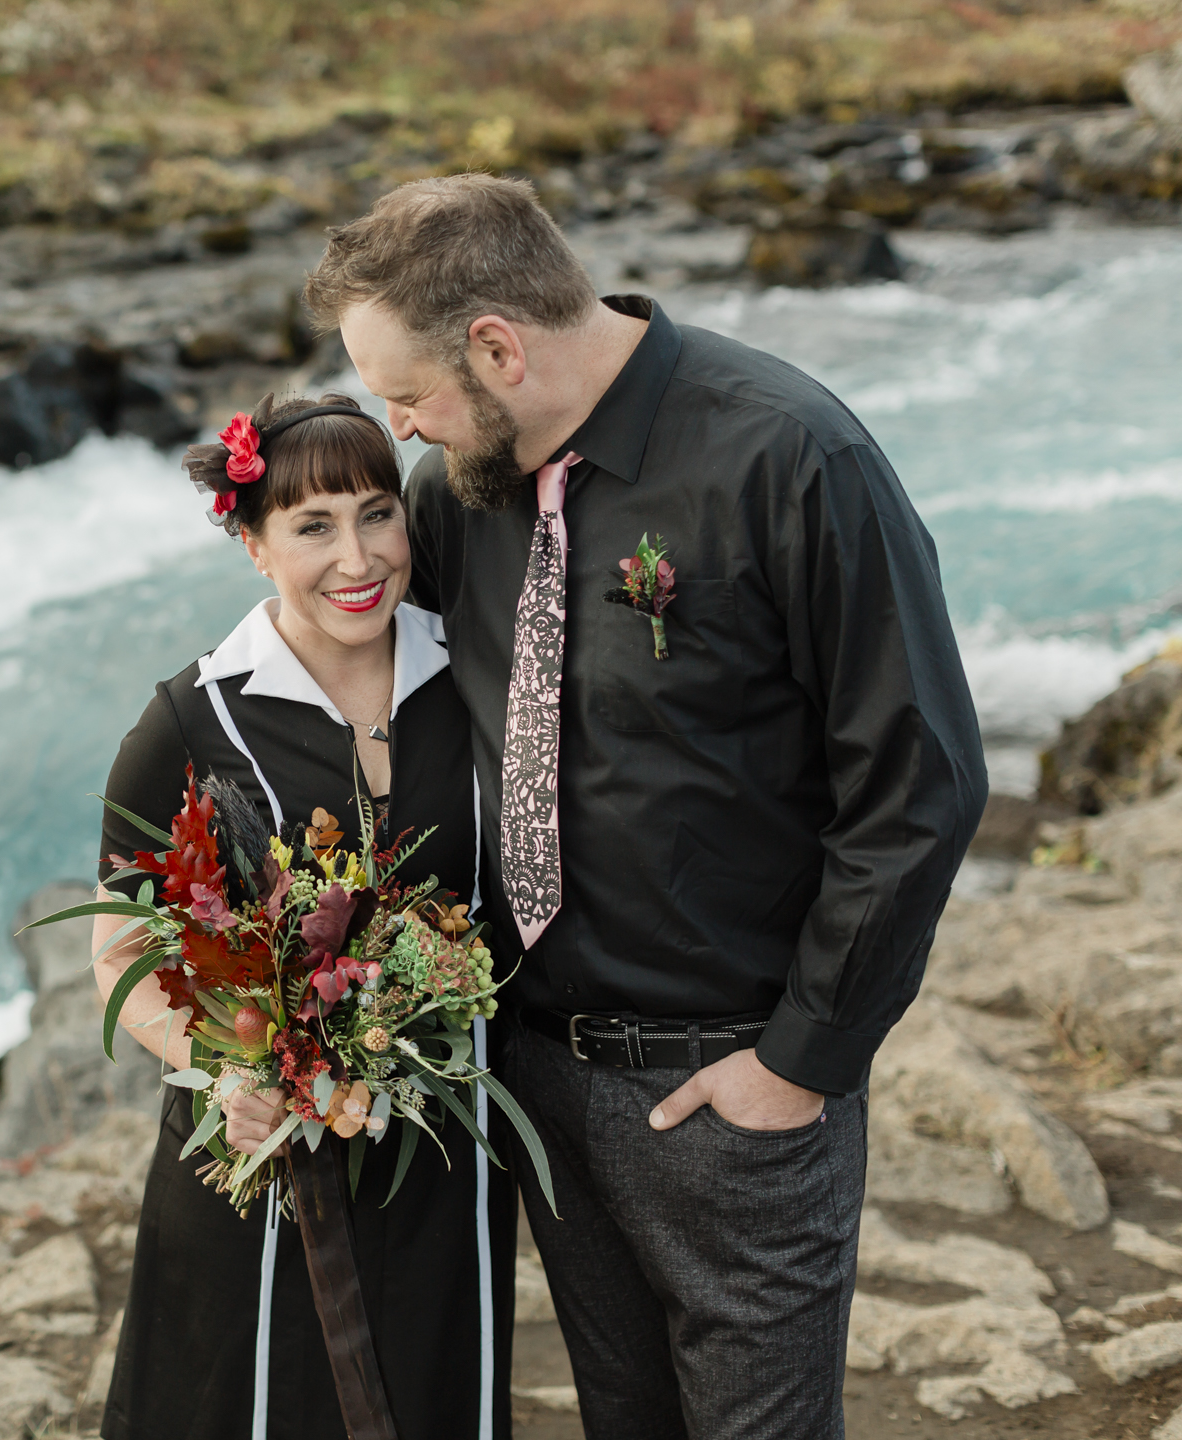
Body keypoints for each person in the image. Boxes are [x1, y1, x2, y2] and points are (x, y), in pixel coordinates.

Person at [301, 175, 988, 1439]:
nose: (400, 431)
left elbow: (919, 782)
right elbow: (371, 681)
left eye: (409, 396)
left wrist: (799, 1064)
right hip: (541, 1083)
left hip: (735, 1092)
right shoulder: (467, 489)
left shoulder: (793, 454)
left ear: (500, 347)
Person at [91, 392, 517, 1440]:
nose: (357, 558)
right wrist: (230, 1068)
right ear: (252, 543)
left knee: (436, 1400)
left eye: (378, 513)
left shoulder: (478, 673)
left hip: (440, 1158)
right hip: (258, 1152)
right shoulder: (192, 718)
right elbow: (121, 955)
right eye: (313, 527)